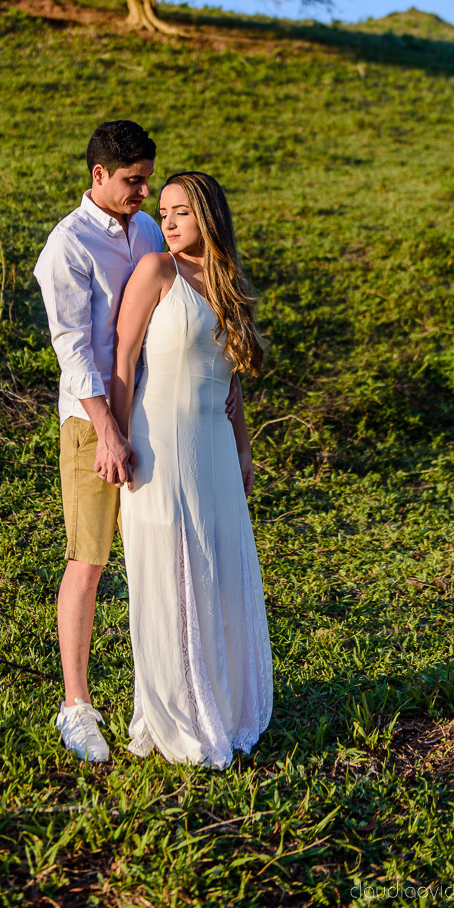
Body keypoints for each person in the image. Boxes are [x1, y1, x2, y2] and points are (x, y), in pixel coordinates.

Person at [110, 172, 273, 768]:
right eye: (164, 211)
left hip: (215, 450)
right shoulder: (157, 271)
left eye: (181, 212)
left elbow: (231, 381)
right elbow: (123, 362)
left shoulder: (229, 284)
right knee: (169, 573)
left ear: (209, 216)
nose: (170, 222)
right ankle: (175, 712)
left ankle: (221, 704)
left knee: (216, 568)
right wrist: (118, 439)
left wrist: (245, 450)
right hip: (158, 444)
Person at [33, 120, 161, 762]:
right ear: (99, 176)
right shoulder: (68, 244)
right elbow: (73, 345)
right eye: (132, 180)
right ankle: (76, 706)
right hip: (92, 424)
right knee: (89, 559)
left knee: (154, 556)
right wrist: (107, 429)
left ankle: (158, 693)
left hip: (155, 413)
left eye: (146, 179)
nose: (143, 190)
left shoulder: (149, 229)